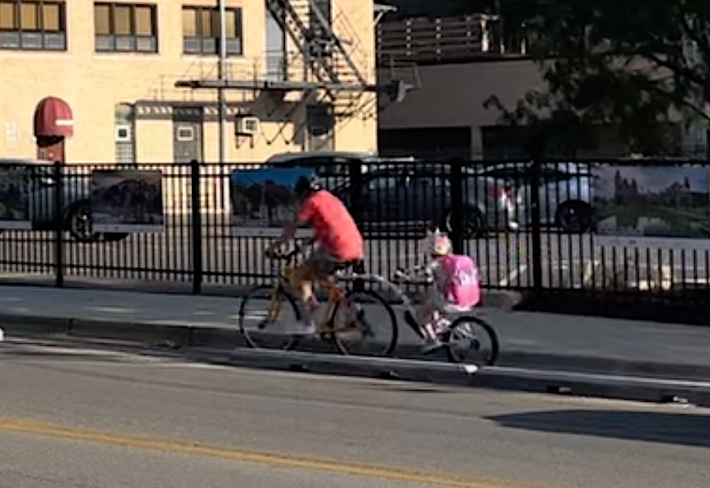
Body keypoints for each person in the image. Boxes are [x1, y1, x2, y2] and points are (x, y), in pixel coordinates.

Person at [268, 175, 365, 334]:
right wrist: (309, 242)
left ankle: (308, 322)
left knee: (301, 277)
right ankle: (349, 307)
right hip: (354, 246)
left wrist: (274, 246)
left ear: (304, 193)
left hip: (336, 249)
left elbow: (292, 228)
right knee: (321, 275)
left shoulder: (311, 202)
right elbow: (330, 225)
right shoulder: (330, 198)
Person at [411, 229, 481, 350]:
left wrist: (407, 278)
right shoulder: (451, 261)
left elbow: (425, 277)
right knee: (433, 307)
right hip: (468, 300)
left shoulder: (435, 264)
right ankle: (445, 329)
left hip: (449, 301)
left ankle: (432, 340)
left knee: (421, 315)